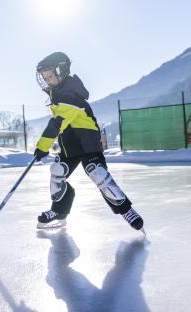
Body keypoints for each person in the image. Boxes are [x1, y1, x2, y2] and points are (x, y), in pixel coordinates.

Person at [33, 52, 144, 232]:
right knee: (58, 172)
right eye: (45, 77)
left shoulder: (70, 93)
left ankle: (126, 210)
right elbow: (61, 125)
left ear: (61, 71)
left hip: (87, 142)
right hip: (70, 143)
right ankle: (59, 213)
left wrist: (42, 146)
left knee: (98, 174)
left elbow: (57, 122)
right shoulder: (57, 93)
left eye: (50, 75)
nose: (47, 80)